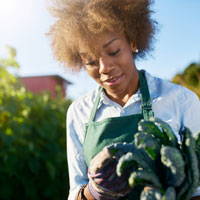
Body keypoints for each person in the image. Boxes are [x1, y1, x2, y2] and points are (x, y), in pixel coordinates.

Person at [48, 0, 200, 199]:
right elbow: (76, 192)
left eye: (113, 52)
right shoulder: (78, 111)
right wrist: (96, 189)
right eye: (91, 61)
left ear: (133, 42)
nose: (104, 67)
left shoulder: (181, 100)